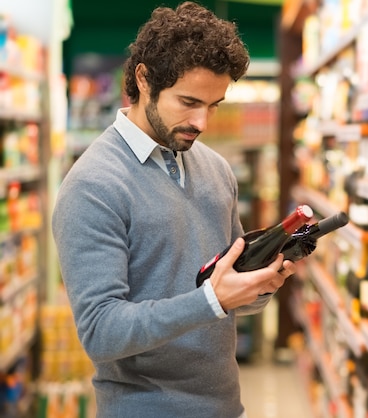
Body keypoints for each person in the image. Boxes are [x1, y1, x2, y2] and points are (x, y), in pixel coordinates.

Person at [51, 2, 296, 417]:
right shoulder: (93, 185)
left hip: (225, 406)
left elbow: (229, 291)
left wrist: (261, 284)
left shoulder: (217, 170)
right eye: (188, 101)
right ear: (144, 79)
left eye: (214, 104)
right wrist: (210, 300)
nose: (202, 121)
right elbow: (101, 331)